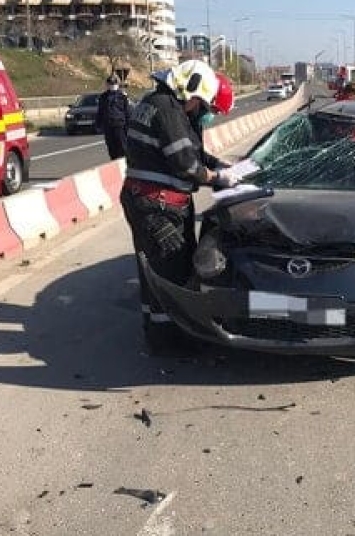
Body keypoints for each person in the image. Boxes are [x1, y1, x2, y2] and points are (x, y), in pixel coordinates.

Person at [120, 60, 238, 355]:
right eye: (201, 103)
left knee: (155, 274)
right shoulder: (168, 110)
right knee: (170, 274)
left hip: (148, 200)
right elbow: (186, 164)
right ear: (189, 90)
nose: (201, 110)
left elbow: (193, 152)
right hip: (157, 206)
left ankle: (158, 335)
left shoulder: (154, 102)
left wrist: (219, 165)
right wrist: (217, 178)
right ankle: (170, 342)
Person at [95, 74, 131, 160]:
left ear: (117, 84)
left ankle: (125, 163)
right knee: (111, 147)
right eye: (110, 84)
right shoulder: (103, 97)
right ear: (107, 85)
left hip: (120, 125)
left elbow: (127, 112)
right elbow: (100, 111)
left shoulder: (122, 96)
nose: (112, 85)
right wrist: (98, 124)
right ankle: (114, 162)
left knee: (122, 147)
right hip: (108, 126)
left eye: (114, 83)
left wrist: (129, 126)